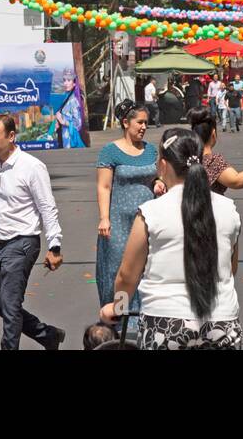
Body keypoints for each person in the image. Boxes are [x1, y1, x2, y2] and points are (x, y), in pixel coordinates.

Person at [99, 128, 243, 349]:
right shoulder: (228, 209)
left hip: (165, 323)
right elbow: (230, 269)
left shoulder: (151, 212)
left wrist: (118, 308)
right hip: (221, 321)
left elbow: (127, 275)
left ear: (164, 166)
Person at [0, 114, 66, 350]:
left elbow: (47, 207)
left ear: (11, 136)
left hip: (23, 243)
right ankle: (47, 336)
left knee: (10, 306)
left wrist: (55, 246)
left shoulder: (31, 167)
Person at [96, 101, 166, 329]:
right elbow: (104, 187)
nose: (144, 126)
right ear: (126, 123)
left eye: (146, 122)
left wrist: (157, 183)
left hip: (147, 221)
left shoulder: (150, 151)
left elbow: (156, 177)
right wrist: (104, 217)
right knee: (119, 271)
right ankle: (119, 323)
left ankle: (142, 322)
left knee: (146, 269)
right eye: (140, 122)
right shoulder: (110, 151)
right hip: (118, 221)